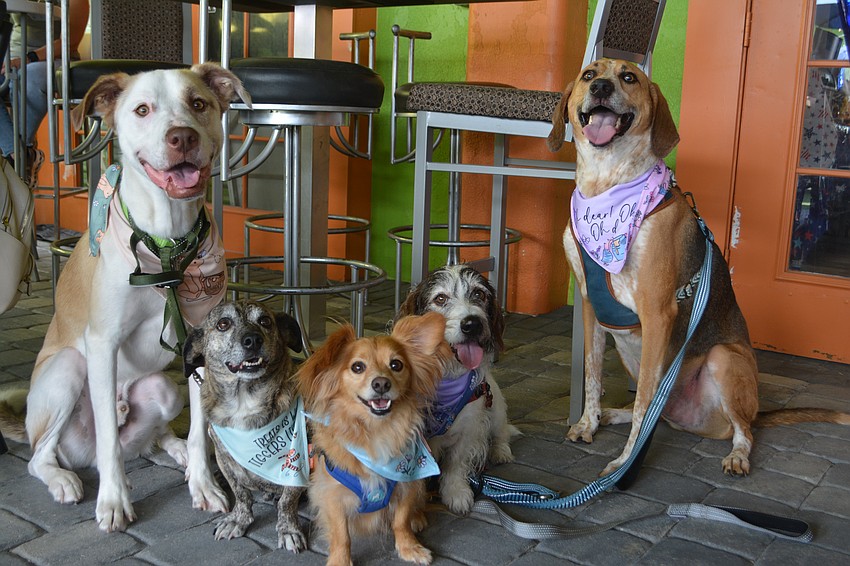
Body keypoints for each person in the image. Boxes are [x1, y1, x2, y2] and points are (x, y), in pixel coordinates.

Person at [0, 0, 89, 190]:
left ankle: (17, 157)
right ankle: (21, 156)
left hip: (55, 59)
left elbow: (70, 40)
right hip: (11, 58)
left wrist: (27, 58)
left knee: (28, 77)